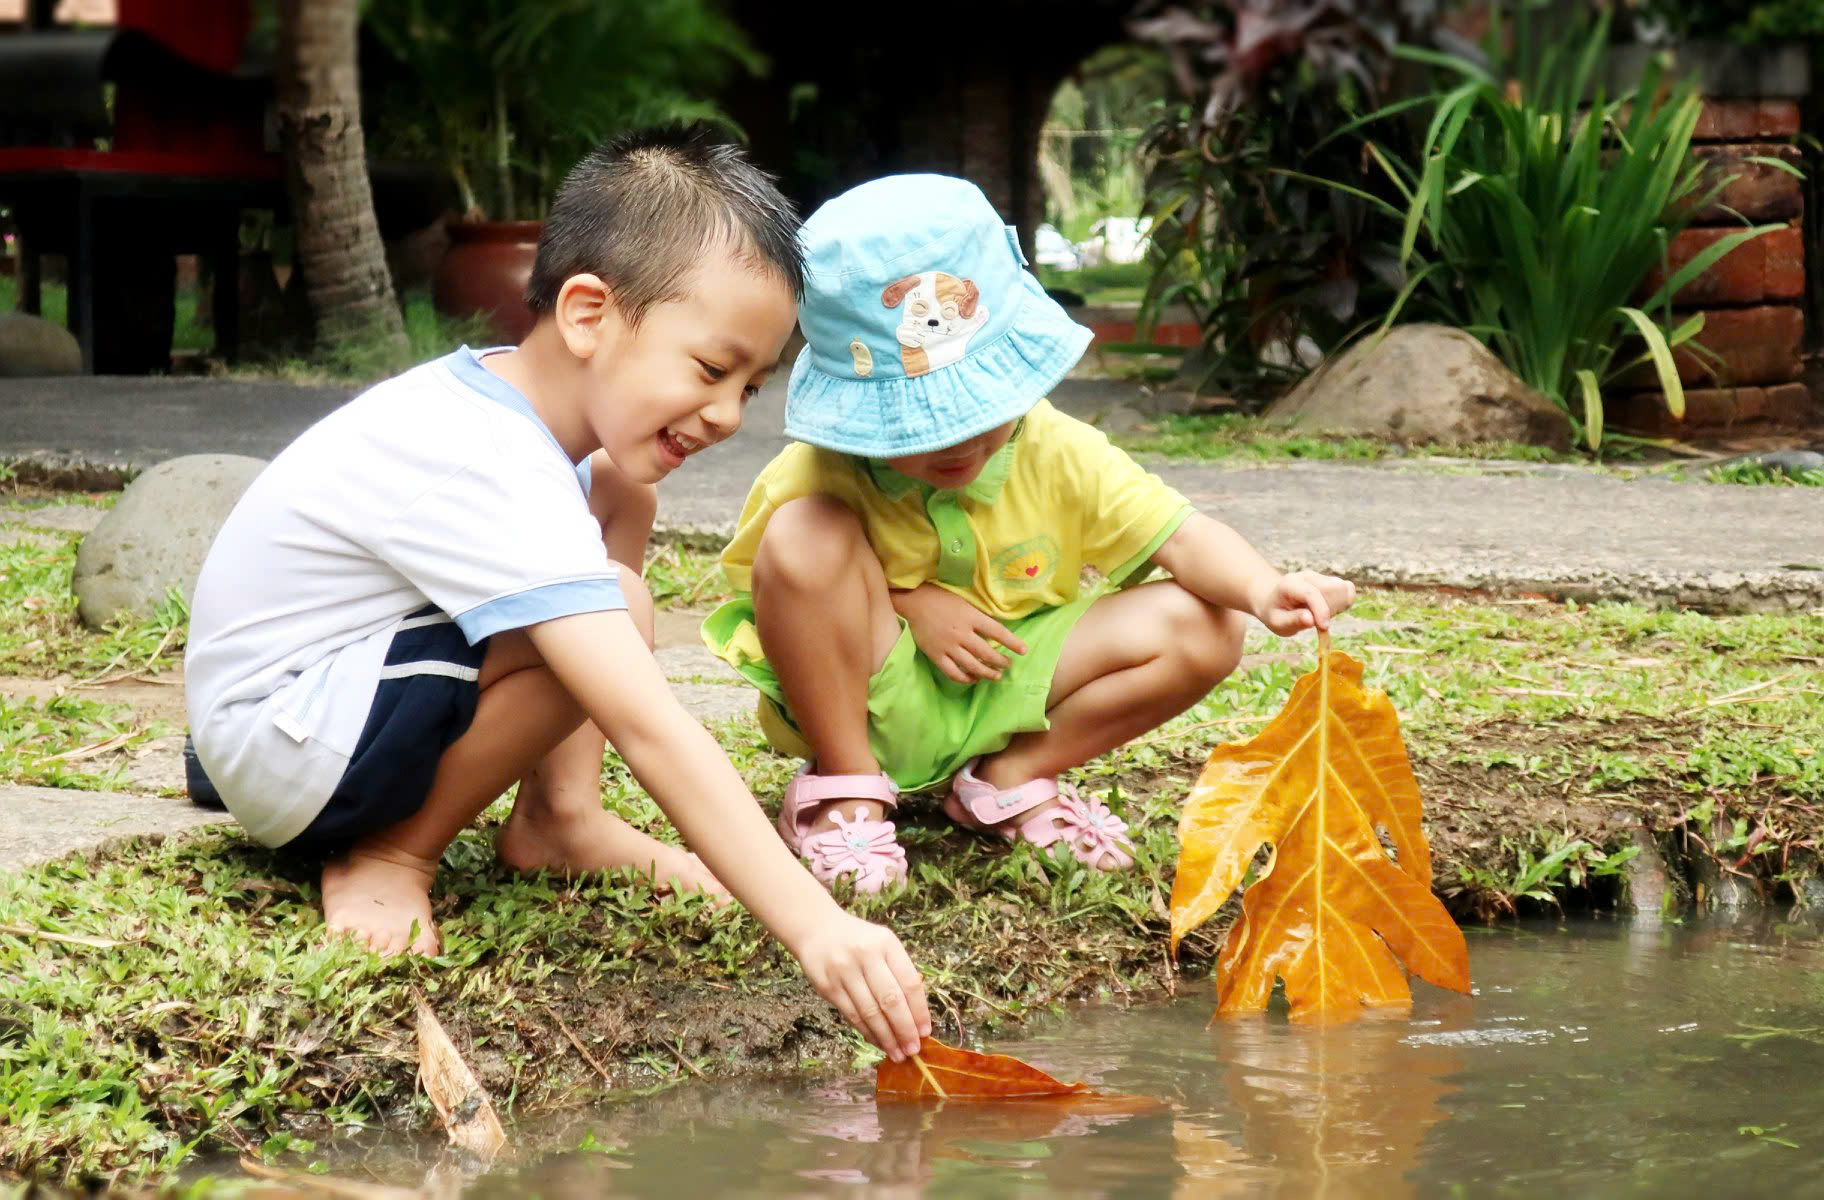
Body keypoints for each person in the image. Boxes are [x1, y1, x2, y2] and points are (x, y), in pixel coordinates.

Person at [184, 126, 931, 1062]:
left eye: (751, 384)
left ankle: (560, 819)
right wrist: (818, 924)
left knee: (621, 506)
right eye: (710, 369)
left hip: (302, 710)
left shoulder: (522, 421)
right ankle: (390, 853)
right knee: (607, 608)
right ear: (587, 314)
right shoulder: (487, 461)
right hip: (287, 746)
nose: (730, 415)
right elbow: (649, 720)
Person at [703, 174, 1356, 894]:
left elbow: (1180, 536)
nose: (955, 445)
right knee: (803, 534)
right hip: (863, 693)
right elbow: (781, 592)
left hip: (1010, 677)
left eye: (978, 414)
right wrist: (908, 604)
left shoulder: (1056, 449)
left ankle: (1008, 780)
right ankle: (847, 785)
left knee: (1206, 622)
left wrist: (1266, 587)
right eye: (916, 427)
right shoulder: (817, 472)